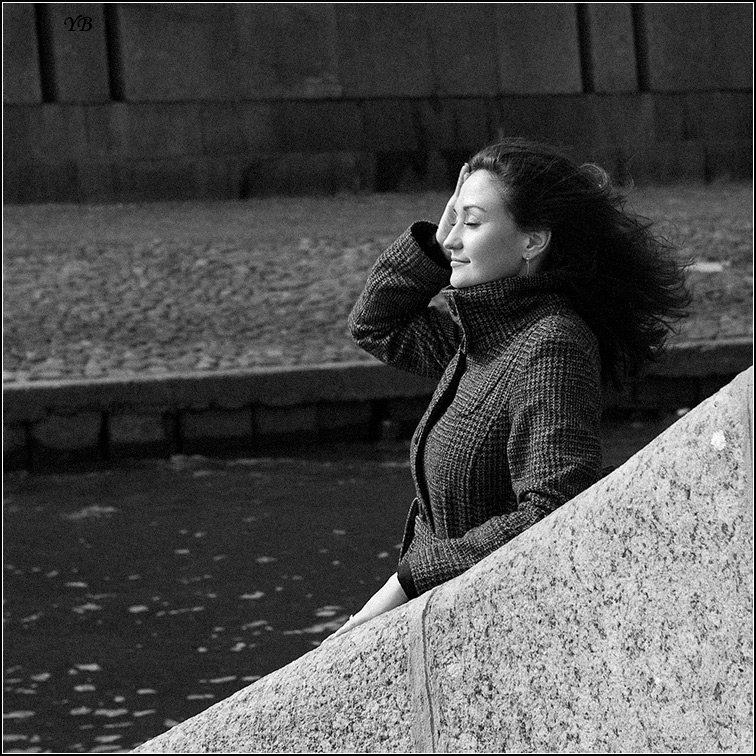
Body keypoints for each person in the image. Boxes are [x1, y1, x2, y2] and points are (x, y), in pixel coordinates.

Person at [328, 138, 690, 640]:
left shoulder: (551, 345)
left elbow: (553, 511)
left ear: (532, 242)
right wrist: (436, 240)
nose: (453, 240)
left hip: (499, 631)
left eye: (473, 223)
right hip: (442, 620)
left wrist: (407, 583)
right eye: (455, 221)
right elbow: (375, 324)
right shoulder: (483, 333)